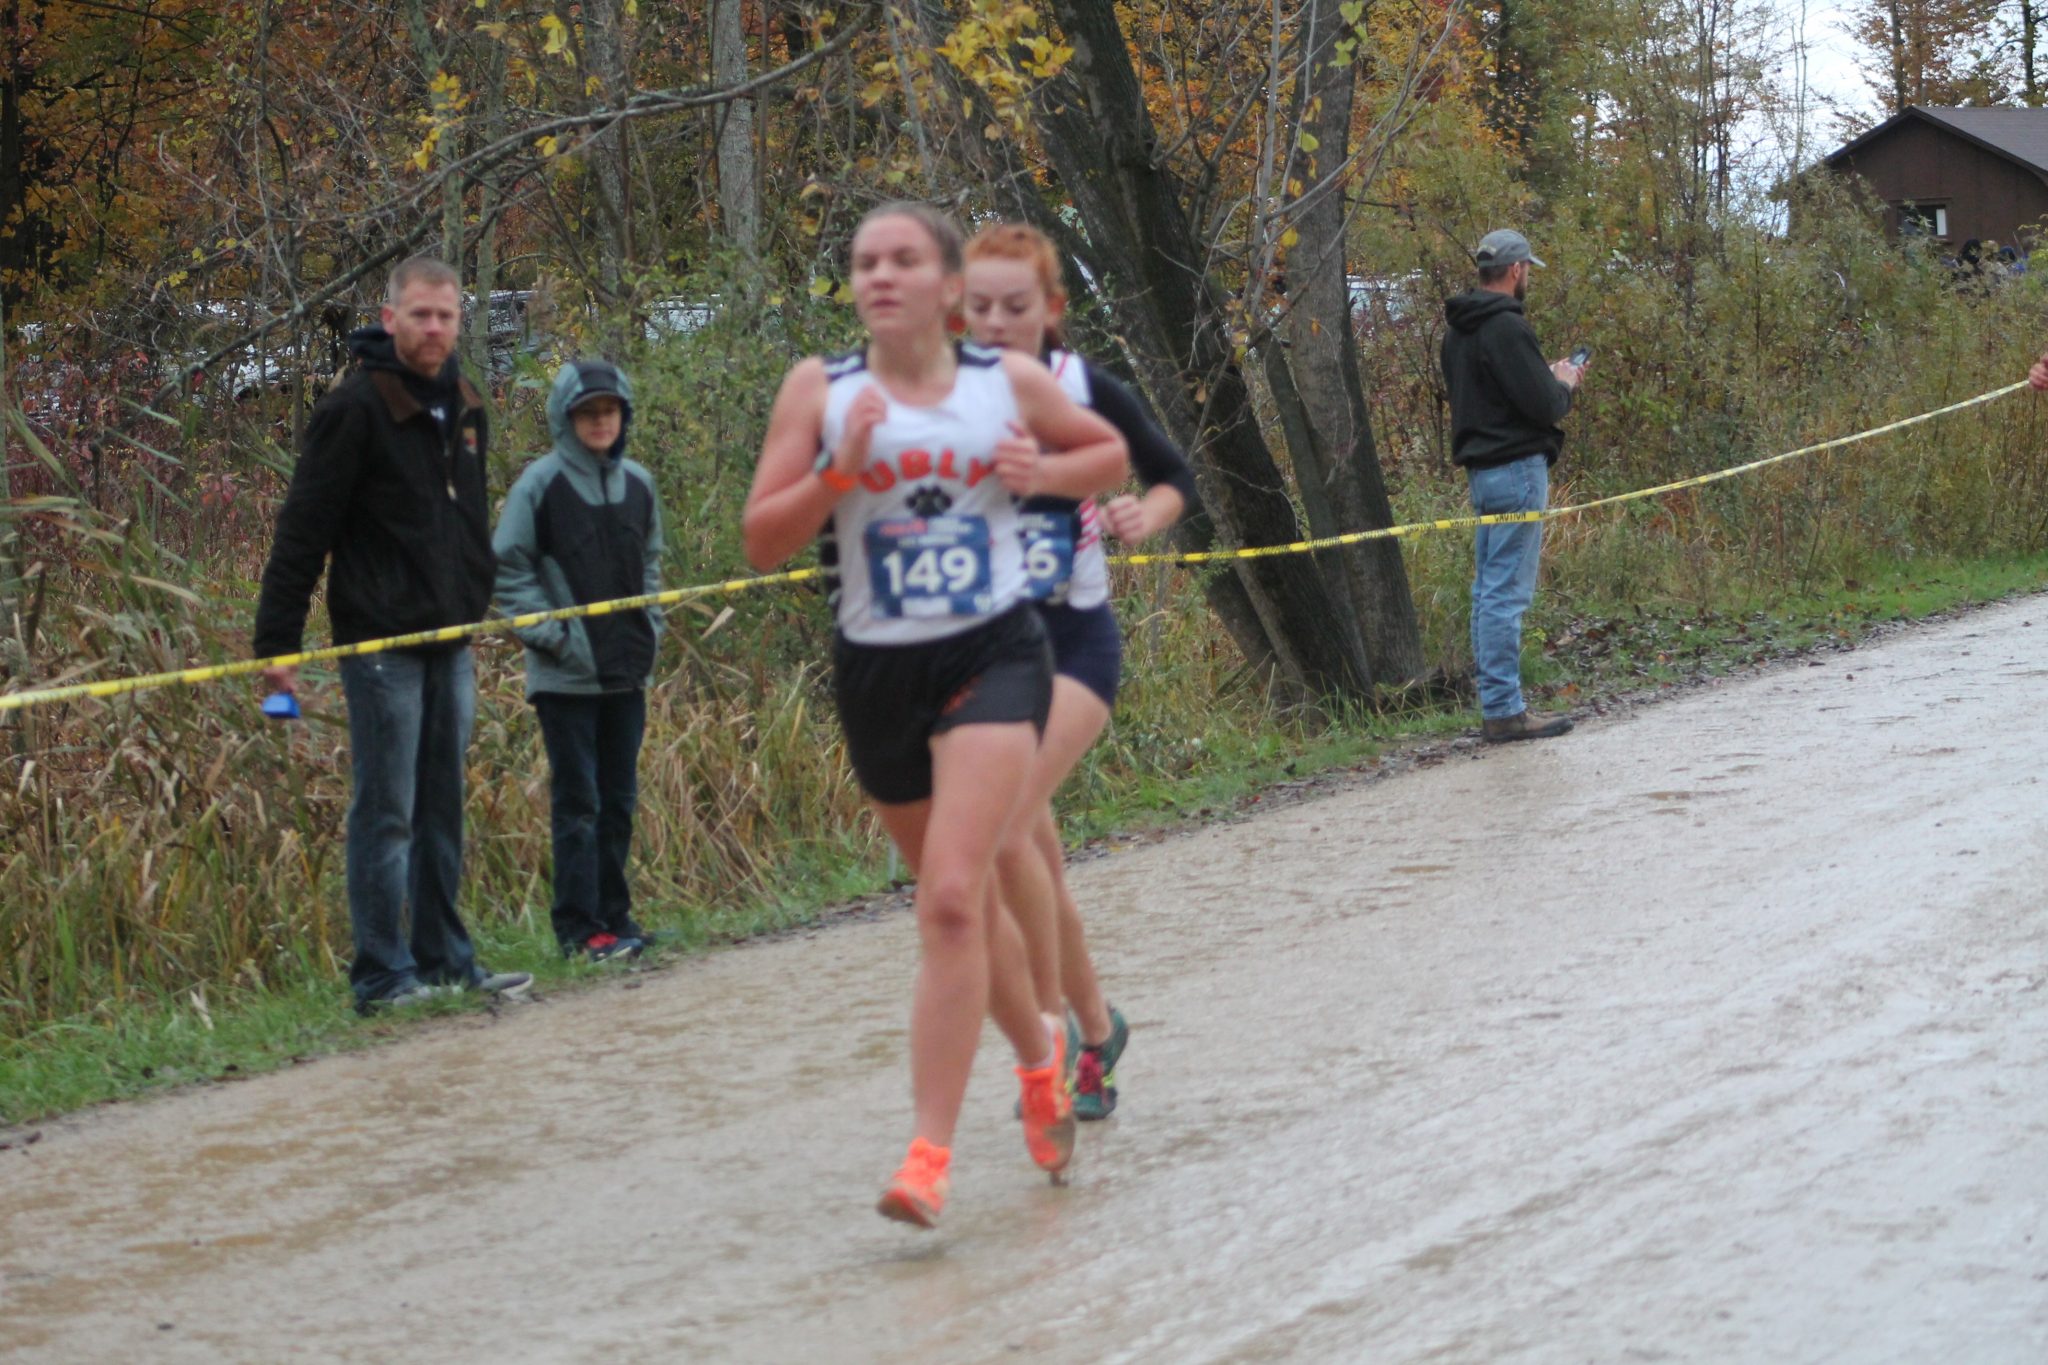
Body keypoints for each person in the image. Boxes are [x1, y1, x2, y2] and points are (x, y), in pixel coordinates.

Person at [742, 202, 1129, 1228]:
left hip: (995, 657)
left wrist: (1037, 473)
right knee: (951, 898)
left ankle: (928, 1156)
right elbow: (759, 542)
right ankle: (1040, 1059)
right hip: (875, 671)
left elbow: (1106, 456)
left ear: (948, 287)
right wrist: (836, 473)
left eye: (903, 259)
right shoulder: (819, 392)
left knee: (952, 899)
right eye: (864, 260)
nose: (880, 275)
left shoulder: (1003, 381)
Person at [961, 223, 1199, 1121]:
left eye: (1014, 308)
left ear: (1050, 310)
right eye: (977, 307)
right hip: (986, 647)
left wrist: (1150, 512)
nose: (994, 322)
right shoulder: (941, 396)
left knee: (1005, 826)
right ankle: (1098, 1034)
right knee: (1036, 865)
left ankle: (1054, 1039)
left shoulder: (1083, 389)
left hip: (1075, 643)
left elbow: (1175, 475)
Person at [252, 256, 533, 1014]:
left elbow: (467, 523)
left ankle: (445, 960)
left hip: (453, 638)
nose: (435, 327)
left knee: (443, 805)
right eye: (421, 315)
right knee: (387, 810)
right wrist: (276, 645)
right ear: (391, 319)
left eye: (447, 315)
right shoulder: (354, 409)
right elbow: (301, 532)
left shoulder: (466, 404)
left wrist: (475, 597)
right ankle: (382, 974)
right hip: (379, 645)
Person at [494, 359, 663, 964]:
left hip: (627, 670)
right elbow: (507, 569)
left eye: (609, 411)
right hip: (565, 678)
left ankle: (616, 917)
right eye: (588, 412)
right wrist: (552, 635)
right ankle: (578, 928)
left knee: (618, 798)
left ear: (624, 416)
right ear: (566, 418)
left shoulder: (639, 483)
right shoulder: (538, 486)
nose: (600, 422)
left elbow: (652, 563)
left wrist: (653, 628)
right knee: (579, 803)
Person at [1440, 229, 1582, 743]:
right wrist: (1562, 382)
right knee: (1505, 595)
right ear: (1518, 270)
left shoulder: (1459, 331)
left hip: (1481, 473)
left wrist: (1537, 378)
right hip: (1518, 472)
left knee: (1487, 593)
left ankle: (1498, 704)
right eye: (1528, 272)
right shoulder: (1507, 328)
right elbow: (1544, 407)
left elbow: (1487, 395)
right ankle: (1504, 710)